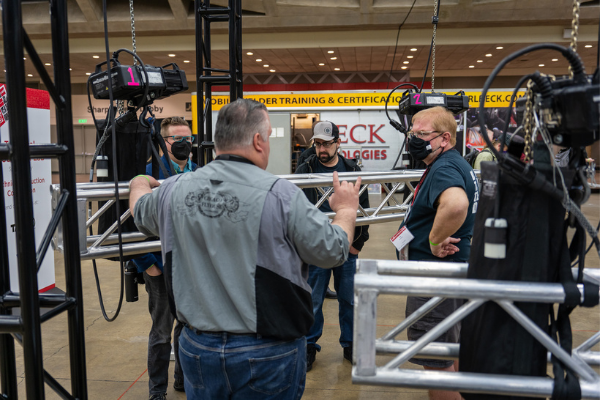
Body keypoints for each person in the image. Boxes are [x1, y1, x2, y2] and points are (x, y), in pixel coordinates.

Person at [129, 98, 362, 399]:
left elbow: (139, 211)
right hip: (267, 353)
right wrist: (346, 210)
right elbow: (332, 251)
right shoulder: (281, 195)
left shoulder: (174, 190)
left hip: (198, 350)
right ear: (257, 140)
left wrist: (137, 181)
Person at [397, 106, 478, 400]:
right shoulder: (455, 163)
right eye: (412, 133)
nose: (414, 140)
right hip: (452, 276)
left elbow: (455, 205)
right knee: (448, 350)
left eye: (422, 134)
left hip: (436, 278)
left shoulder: (445, 168)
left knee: (435, 362)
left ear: (445, 138)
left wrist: (434, 240)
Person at [295, 121, 370, 372]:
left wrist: (357, 244)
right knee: (313, 301)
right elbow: (298, 210)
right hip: (317, 246)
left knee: (348, 300)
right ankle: (308, 346)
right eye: (317, 144)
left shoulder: (351, 169)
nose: (322, 149)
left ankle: (350, 345)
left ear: (338, 143)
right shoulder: (305, 168)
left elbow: (366, 211)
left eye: (327, 143)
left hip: (346, 246)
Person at [132, 116, 197, 399]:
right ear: (163, 141)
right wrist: (149, 265)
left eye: (188, 139)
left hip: (189, 267)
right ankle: (157, 390)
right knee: (161, 332)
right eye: (177, 139)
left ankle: (182, 379)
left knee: (187, 327)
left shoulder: (200, 172)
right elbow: (132, 224)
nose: (184, 144)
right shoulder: (147, 173)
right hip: (159, 266)